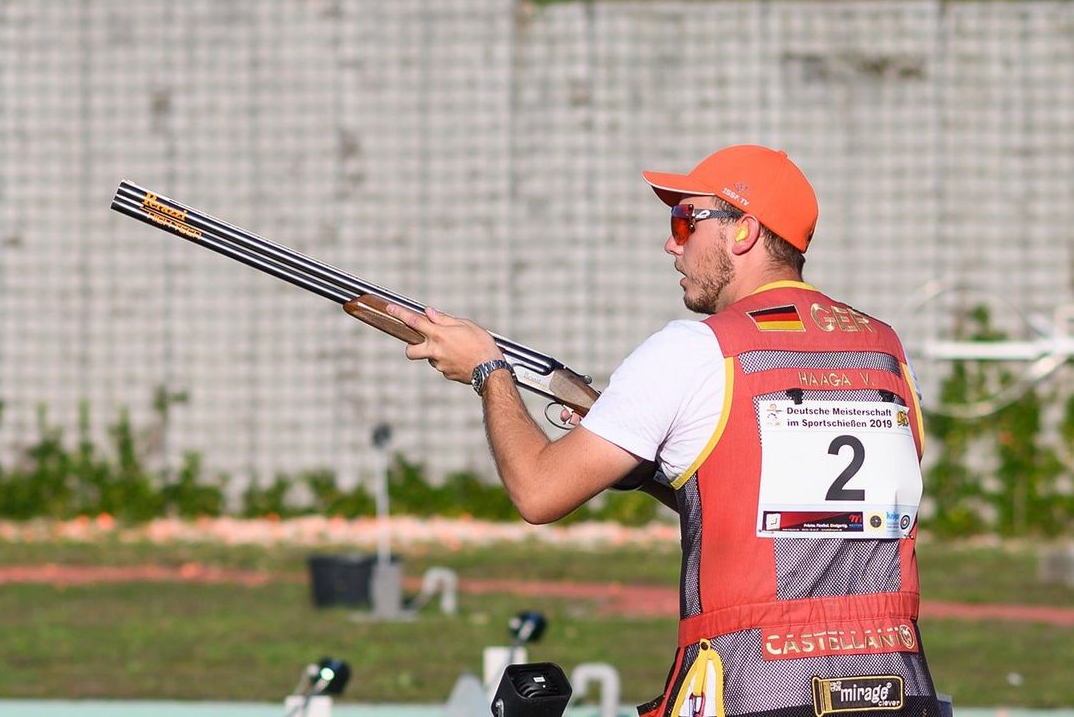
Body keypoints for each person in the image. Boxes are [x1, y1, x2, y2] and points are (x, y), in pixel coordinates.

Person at [386, 144, 944, 717]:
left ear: (744, 230)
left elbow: (538, 491)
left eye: (685, 220)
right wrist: (644, 466)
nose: (671, 243)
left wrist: (488, 371)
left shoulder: (697, 350)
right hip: (894, 690)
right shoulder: (888, 354)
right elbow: (782, 519)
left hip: (753, 689)